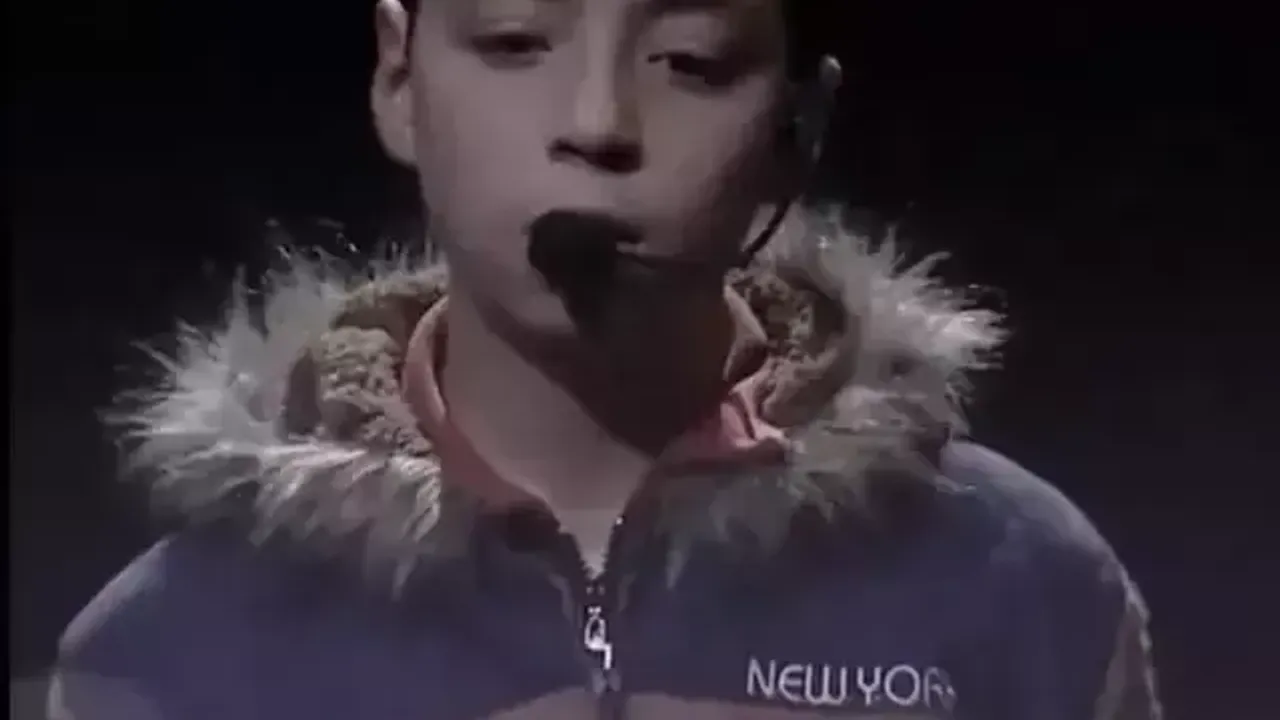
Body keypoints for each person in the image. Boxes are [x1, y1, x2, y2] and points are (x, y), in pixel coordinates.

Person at [50, 0, 1162, 718]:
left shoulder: (1023, 585)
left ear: (797, 122)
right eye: (513, 41)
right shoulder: (162, 651)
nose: (596, 121)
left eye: (691, 61)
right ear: (398, 81)